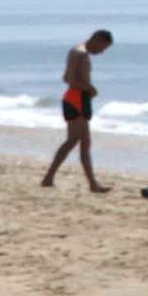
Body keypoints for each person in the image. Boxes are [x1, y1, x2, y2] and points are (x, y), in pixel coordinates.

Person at [41, 29, 114, 192]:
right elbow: (68, 79)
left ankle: (92, 184)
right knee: (72, 141)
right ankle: (49, 177)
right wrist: (89, 88)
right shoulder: (78, 53)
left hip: (82, 98)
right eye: (102, 48)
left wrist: (88, 90)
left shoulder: (83, 54)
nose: (101, 52)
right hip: (75, 99)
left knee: (84, 143)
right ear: (96, 39)